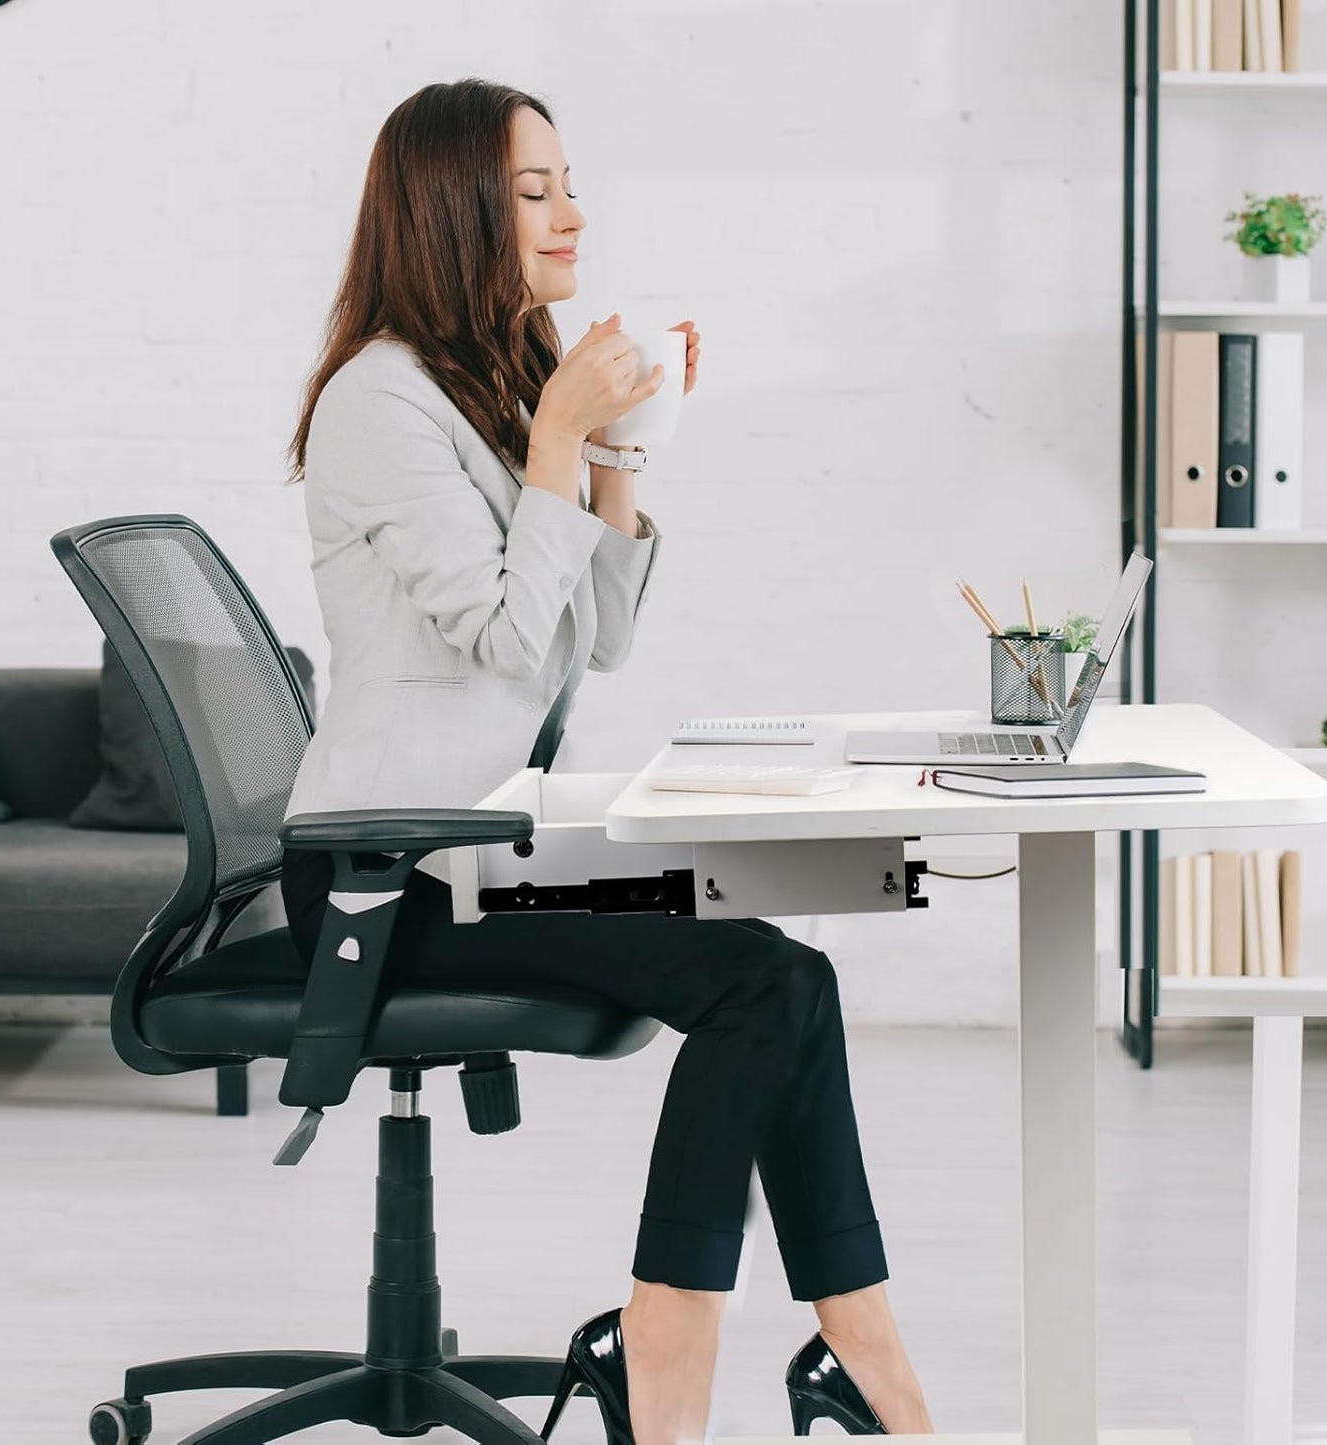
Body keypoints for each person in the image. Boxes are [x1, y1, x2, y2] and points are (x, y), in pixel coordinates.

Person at [279, 77, 934, 1445]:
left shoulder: (485, 383)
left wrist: (621, 456)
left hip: (468, 841)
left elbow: (601, 636)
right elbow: (511, 642)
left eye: (569, 183)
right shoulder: (379, 401)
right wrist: (560, 439)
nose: (571, 213)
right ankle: (681, 1348)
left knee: (786, 971)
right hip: (377, 876)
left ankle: (846, 1348)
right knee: (762, 980)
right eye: (533, 192)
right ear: (453, 210)